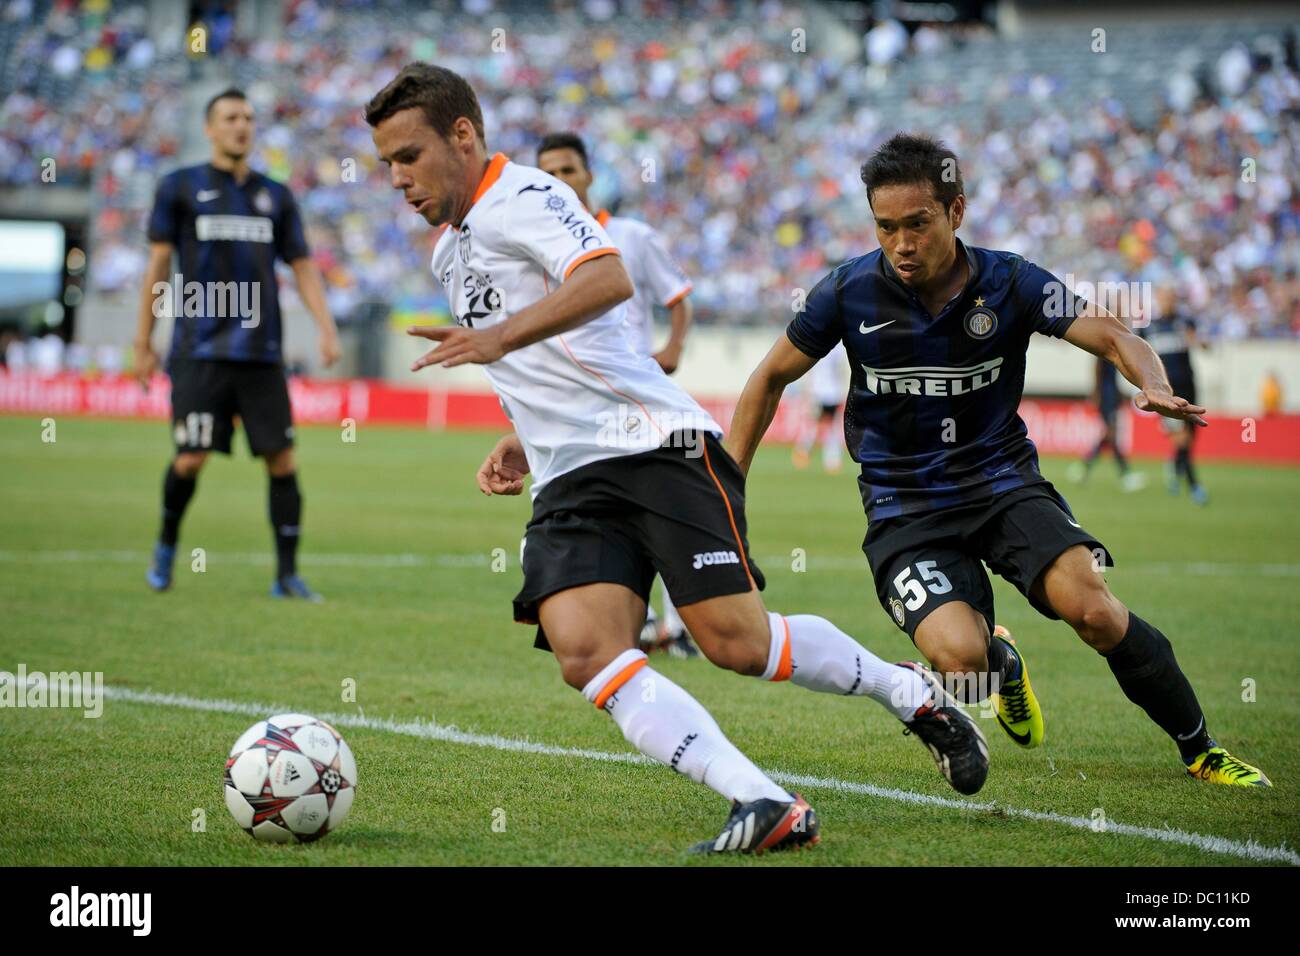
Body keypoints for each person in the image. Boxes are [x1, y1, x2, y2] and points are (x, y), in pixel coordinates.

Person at [367, 65, 992, 854]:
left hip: (650, 446)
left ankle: (912, 694)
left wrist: (495, 338)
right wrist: (524, 436)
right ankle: (764, 800)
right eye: (387, 163)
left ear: (463, 135)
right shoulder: (447, 255)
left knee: (739, 644)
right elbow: (557, 359)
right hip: (570, 477)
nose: (397, 179)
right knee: (585, 653)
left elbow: (606, 280)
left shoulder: (522, 196)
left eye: (408, 155)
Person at [727, 133, 1269, 787]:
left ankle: (1201, 749)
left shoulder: (1011, 280)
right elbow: (766, 380)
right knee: (962, 665)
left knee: (1093, 609)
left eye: (918, 224)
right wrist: (726, 485)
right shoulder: (846, 292)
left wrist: (1148, 379)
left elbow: (1113, 334)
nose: (901, 243)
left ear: (956, 211)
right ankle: (1001, 665)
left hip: (1002, 483)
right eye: (886, 227)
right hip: (906, 508)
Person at [135, 88, 340, 599]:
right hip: (199, 351)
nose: (241, 126)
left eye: (248, 117)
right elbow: (158, 266)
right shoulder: (178, 187)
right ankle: (164, 549)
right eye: (230, 117)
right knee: (189, 459)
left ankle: (287, 575)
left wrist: (325, 326)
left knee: (282, 460)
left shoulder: (276, 195)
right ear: (209, 128)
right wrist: (143, 338)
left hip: (261, 354)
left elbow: (302, 266)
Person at [535, 130, 698, 658]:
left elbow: (678, 295)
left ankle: (685, 623)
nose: (560, 181)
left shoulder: (632, 235)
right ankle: (644, 621)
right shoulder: (539, 246)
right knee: (597, 509)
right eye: (548, 174)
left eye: (568, 170)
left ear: (588, 176)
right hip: (577, 401)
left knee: (664, 504)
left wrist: (672, 345)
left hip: (634, 393)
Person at [1141, 285, 1207, 504]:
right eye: (1164, 297)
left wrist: (1199, 341)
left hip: (1189, 386)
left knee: (1190, 439)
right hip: (1167, 393)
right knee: (1182, 440)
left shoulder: (1185, 323)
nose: (1168, 302)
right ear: (1158, 300)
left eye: (1171, 297)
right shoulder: (1150, 328)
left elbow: (1201, 343)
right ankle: (1195, 486)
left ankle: (1175, 465)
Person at [1068, 355, 1146, 491]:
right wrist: (1097, 392)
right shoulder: (1104, 351)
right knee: (1111, 434)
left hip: (1111, 395)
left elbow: (1111, 376)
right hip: (1106, 396)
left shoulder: (1112, 351)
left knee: (1110, 436)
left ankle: (1084, 468)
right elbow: (1097, 368)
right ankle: (1124, 474)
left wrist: (1118, 392)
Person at [793, 343, 848, 474]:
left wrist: (807, 390)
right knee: (831, 427)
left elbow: (808, 368)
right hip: (832, 392)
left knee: (815, 425)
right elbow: (842, 370)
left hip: (819, 392)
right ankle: (832, 461)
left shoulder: (818, 342)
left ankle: (804, 453)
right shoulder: (839, 347)